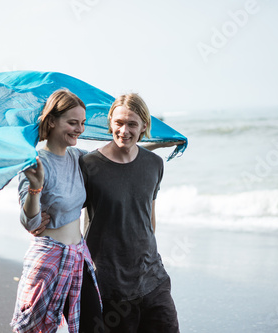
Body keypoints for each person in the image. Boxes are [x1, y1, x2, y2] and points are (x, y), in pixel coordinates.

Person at [79, 93, 180, 332]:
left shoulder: (155, 164)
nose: (124, 130)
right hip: (108, 285)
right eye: (119, 123)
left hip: (152, 279)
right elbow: (69, 214)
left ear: (144, 125)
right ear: (110, 123)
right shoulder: (89, 166)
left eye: (132, 124)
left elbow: (149, 219)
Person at [10, 90, 104, 333]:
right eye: (72, 122)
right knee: (35, 329)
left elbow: (117, 158)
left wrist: (155, 142)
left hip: (78, 257)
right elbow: (30, 223)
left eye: (82, 123)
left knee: (92, 326)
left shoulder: (79, 157)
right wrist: (35, 186)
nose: (79, 129)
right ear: (52, 121)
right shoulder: (35, 162)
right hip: (48, 259)